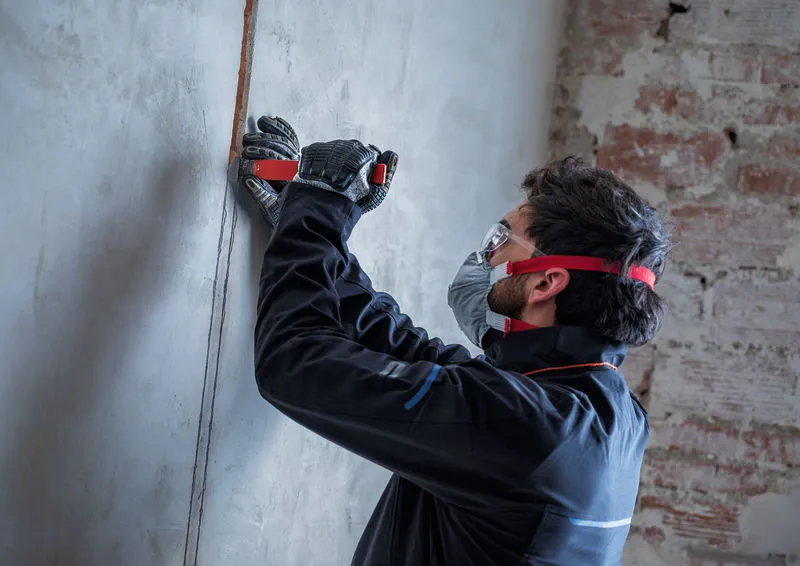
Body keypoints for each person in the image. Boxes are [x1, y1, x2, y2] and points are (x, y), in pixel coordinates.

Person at [238, 116, 670, 565]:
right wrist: (310, 225)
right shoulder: (605, 413)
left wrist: (318, 205)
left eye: (501, 240)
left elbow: (295, 366)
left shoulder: (531, 424)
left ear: (546, 284)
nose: (485, 255)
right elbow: (402, 349)